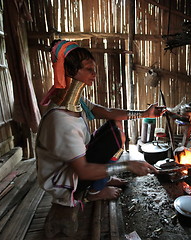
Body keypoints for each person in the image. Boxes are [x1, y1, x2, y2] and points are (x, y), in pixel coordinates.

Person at [35, 40, 163, 237]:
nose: (94, 74)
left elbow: (109, 112)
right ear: (70, 72)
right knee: (110, 145)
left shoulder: (75, 101)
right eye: (89, 69)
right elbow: (84, 171)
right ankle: (92, 193)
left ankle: (102, 180)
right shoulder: (62, 121)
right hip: (63, 178)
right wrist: (128, 165)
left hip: (75, 161)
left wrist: (145, 113)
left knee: (115, 131)